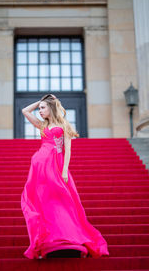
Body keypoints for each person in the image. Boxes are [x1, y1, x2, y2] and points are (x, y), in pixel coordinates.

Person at [21, 94, 110, 260]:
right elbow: (25, 110)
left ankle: (69, 237)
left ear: (51, 108)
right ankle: (48, 241)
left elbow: (67, 150)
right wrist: (40, 101)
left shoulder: (63, 124)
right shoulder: (41, 125)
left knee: (65, 202)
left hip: (56, 166)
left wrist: (64, 170)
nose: (40, 111)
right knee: (45, 203)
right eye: (39, 108)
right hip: (40, 167)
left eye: (43, 108)